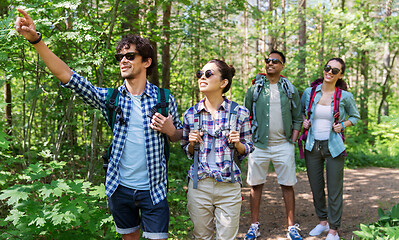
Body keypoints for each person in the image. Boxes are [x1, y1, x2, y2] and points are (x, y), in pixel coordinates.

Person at [15, 9, 183, 240]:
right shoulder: (111, 98)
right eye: (120, 57)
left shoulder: (164, 99)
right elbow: (68, 76)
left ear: (147, 61)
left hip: (154, 189)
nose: (123, 60)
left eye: (130, 56)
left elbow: (179, 136)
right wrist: (36, 40)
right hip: (120, 188)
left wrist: (171, 130)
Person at [180, 59, 254, 239]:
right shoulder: (191, 114)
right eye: (200, 74)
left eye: (208, 74)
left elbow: (248, 148)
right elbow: (187, 151)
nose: (202, 77)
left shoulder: (239, 112)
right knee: (201, 236)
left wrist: (238, 144)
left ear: (223, 83)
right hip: (199, 185)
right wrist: (191, 143)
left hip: (229, 186)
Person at [244, 50, 303, 240]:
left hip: (283, 144)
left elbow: (297, 116)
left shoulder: (289, 89)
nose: (270, 63)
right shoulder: (255, 89)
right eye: (268, 60)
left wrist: (292, 140)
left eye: (275, 61)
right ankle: (254, 225)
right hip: (258, 145)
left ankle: (291, 227)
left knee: (287, 185)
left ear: (282, 66)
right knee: (255, 185)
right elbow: (246, 116)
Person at [301, 58, 360, 240]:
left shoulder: (345, 96)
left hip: (334, 147)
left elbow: (356, 116)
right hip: (312, 145)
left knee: (334, 189)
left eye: (335, 70)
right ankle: (322, 222)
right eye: (328, 68)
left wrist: (343, 124)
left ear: (340, 75)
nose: (330, 72)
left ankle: (333, 230)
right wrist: (304, 120)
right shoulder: (310, 92)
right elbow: (302, 112)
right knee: (316, 187)